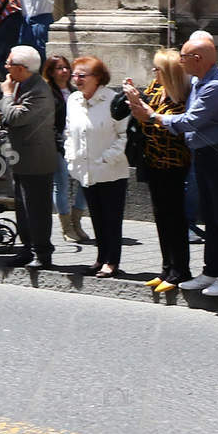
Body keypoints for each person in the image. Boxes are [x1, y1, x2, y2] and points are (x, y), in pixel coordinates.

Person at [125, 31, 218, 297]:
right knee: (210, 217)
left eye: (184, 57)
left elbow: (189, 121)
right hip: (202, 154)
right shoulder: (200, 80)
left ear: (198, 58)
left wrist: (152, 115)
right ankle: (211, 271)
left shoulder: (215, 85)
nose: (180, 61)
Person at [127, 49, 191, 292]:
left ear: (169, 73)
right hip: (152, 162)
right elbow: (142, 116)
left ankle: (180, 271)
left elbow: (168, 128)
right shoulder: (154, 89)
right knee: (161, 217)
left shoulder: (182, 97)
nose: (154, 73)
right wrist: (134, 100)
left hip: (173, 164)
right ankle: (166, 267)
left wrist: (146, 113)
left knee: (175, 218)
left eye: (157, 69)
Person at [65, 55, 128, 278]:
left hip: (110, 170)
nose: (77, 79)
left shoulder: (114, 100)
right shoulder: (73, 100)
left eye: (82, 75)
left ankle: (112, 261)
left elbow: (124, 136)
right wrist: (71, 157)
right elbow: (69, 131)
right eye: (75, 75)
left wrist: (105, 159)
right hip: (86, 170)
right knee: (97, 217)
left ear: (98, 78)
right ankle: (101, 258)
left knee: (112, 218)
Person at [0, 45, 57, 268]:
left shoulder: (38, 90)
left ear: (21, 68)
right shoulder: (21, 85)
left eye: (9, 63)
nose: (5, 67)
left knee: (37, 209)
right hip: (20, 156)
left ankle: (43, 253)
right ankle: (27, 249)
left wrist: (6, 95)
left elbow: (15, 117)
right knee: (23, 208)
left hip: (37, 159)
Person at [44, 54, 89, 243]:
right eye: (59, 68)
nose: (64, 71)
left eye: (66, 68)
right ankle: (66, 227)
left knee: (84, 182)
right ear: (51, 72)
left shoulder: (75, 91)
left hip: (79, 143)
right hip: (57, 144)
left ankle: (76, 220)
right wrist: (58, 141)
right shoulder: (47, 92)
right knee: (61, 184)